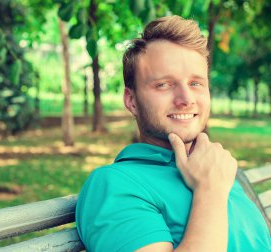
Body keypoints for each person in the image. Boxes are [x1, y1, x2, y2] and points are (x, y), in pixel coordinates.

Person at [75, 15, 271, 252]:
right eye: (164, 84)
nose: (186, 99)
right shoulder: (114, 184)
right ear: (132, 100)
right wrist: (209, 191)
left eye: (196, 83)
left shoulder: (215, 165)